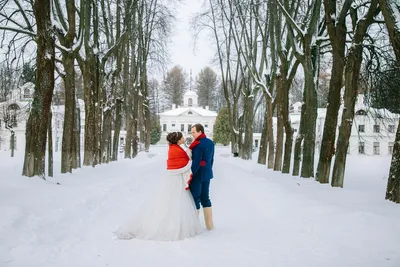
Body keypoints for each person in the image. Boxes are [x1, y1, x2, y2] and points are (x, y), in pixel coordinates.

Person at [115, 132, 203, 241]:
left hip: (175, 179)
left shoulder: (175, 147)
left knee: (174, 201)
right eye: (182, 137)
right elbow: (180, 164)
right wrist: (192, 162)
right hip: (174, 180)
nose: (183, 138)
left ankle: (176, 225)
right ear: (177, 140)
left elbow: (182, 159)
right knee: (174, 201)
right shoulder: (175, 149)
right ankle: (172, 227)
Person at [189, 124, 215, 230]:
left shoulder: (198, 145)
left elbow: (196, 163)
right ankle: (210, 225)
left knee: (195, 199)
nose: (192, 134)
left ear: (200, 132)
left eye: (194, 132)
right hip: (207, 174)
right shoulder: (210, 143)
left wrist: (190, 174)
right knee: (205, 197)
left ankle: (194, 227)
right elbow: (211, 159)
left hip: (197, 175)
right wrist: (208, 169)